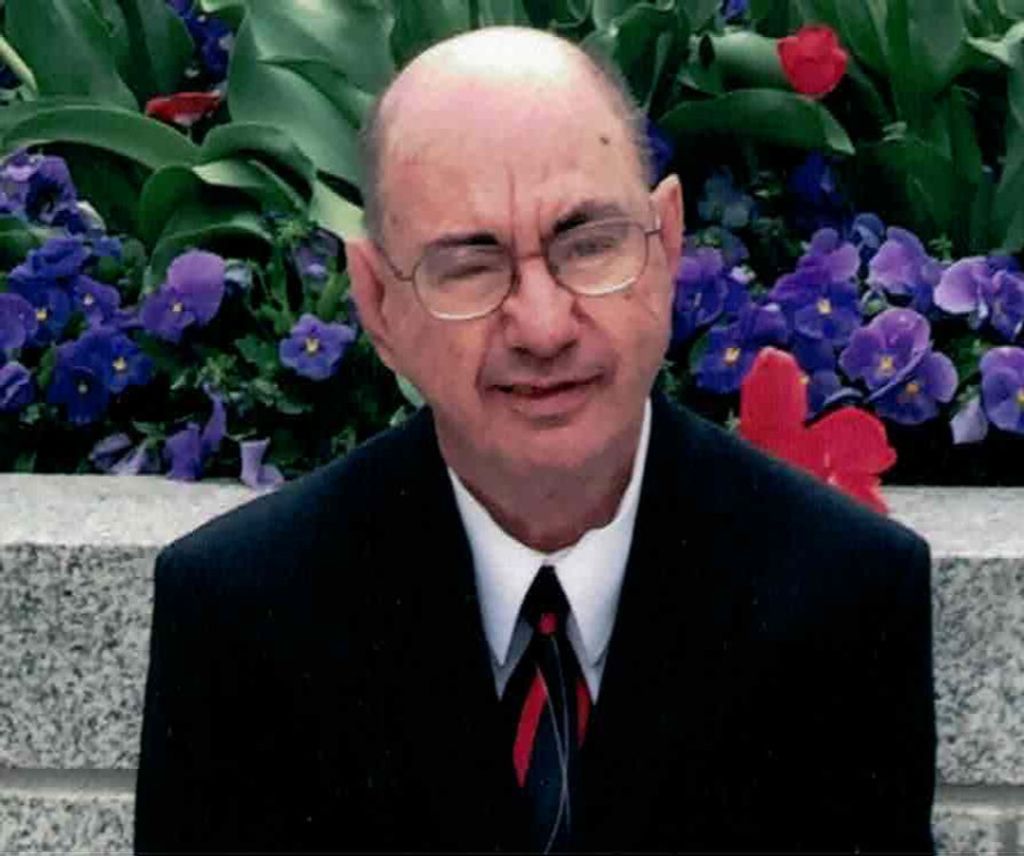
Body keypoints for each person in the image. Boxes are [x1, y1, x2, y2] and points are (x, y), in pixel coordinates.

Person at [134, 26, 936, 854]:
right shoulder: (243, 614)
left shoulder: (845, 594)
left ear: (666, 245)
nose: (544, 326)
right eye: (470, 265)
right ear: (377, 303)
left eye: (588, 246)